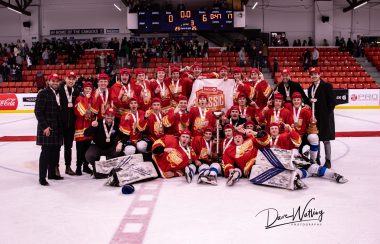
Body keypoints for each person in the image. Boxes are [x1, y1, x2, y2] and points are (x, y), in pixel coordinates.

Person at [35, 73, 64, 186]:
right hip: (47, 129)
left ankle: (51, 174)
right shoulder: (43, 93)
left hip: (57, 128)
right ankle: (42, 177)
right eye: (53, 81)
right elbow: (38, 111)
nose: (55, 82)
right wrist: (45, 127)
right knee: (46, 153)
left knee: (55, 152)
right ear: (49, 81)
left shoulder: (59, 94)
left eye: (57, 81)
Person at [307, 67, 336, 168]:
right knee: (316, 138)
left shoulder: (327, 86)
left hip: (325, 117)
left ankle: (328, 160)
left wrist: (326, 114)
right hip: (315, 118)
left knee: (326, 139)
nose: (314, 76)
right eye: (312, 74)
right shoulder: (310, 88)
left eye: (316, 74)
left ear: (319, 75)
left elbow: (332, 102)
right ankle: (317, 158)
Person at [84, 108, 126, 175]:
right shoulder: (98, 123)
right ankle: (96, 167)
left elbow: (124, 136)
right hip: (97, 146)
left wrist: (121, 143)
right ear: (104, 115)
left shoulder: (116, 125)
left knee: (119, 151)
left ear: (114, 117)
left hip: (110, 147)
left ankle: (109, 167)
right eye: (108, 115)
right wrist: (92, 127)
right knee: (89, 155)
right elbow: (86, 134)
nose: (110, 117)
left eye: (112, 116)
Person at [59, 71, 80, 176]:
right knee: (57, 146)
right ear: (65, 79)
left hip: (71, 125)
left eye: (73, 79)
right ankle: (55, 167)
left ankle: (68, 167)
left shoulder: (76, 91)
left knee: (69, 147)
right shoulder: (59, 89)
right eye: (69, 78)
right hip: (59, 124)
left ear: (75, 80)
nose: (71, 81)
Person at [73, 81, 94, 175]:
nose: (88, 90)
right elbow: (79, 112)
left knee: (87, 148)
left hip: (89, 126)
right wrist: (86, 98)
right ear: (83, 89)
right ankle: (78, 167)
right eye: (86, 89)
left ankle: (86, 166)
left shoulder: (93, 99)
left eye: (90, 89)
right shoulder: (79, 98)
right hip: (80, 126)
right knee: (80, 149)